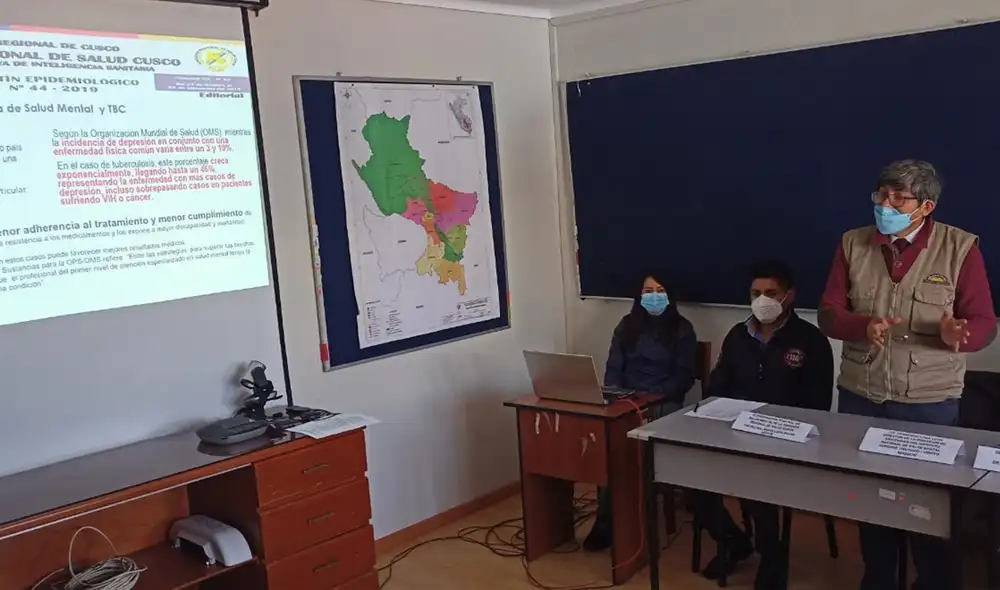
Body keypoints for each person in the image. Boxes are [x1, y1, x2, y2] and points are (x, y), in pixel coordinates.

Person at [819, 159, 997, 590]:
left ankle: (933, 583)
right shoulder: (852, 243)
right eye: (881, 194)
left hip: (928, 406)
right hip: (862, 396)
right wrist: (862, 326)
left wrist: (961, 334)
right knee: (871, 504)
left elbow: (985, 323)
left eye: (899, 198)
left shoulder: (960, 248)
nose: (886, 204)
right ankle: (879, 579)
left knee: (927, 510)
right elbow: (828, 315)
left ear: (926, 206)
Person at [695, 261, 834, 589]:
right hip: (735, 431)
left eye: (771, 293)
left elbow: (818, 407)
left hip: (785, 439)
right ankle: (734, 540)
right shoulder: (738, 336)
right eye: (756, 293)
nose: (762, 301)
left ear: (789, 295)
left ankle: (773, 558)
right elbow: (717, 388)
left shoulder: (811, 340)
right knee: (691, 478)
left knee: (758, 483)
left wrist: (777, 427)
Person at [583, 273, 698, 551]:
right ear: (639, 295)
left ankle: (639, 520)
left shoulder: (682, 329)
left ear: (669, 296)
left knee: (639, 447)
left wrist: (653, 397)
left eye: (660, 290)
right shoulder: (626, 326)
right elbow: (613, 369)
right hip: (628, 399)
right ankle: (606, 521)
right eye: (648, 291)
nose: (654, 296)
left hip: (664, 402)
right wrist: (614, 397)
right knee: (611, 445)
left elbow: (684, 378)